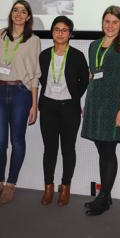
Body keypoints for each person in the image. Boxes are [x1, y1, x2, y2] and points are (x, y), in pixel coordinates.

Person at [81, 6, 120, 216]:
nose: (110, 26)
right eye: (107, 21)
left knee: (108, 152)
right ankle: (106, 195)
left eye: (114, 22)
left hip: (114, 105)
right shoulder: (94, 46)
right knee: (101, 149)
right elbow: (92, 77)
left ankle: (103, 198)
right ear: (102, 22)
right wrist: (87, 103)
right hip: (95, 103)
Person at [0, 0, 41, 204]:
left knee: (17, 141)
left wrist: (34, 104)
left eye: (23, 11)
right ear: (11, 14)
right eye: (15, 10)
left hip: (21, 92)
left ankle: (11, 183)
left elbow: (35, 73)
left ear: (28, 17)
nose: (18, 14)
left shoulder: (34, 40)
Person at [38, 16, 88, 206]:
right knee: (49, 150)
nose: (60, 33)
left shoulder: (77, 55)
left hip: (70, 109)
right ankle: (48, 187)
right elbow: (41, 80)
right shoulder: (44, 55)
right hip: (48, 107)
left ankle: (65, 187)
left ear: (70, 34)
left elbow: (84, 80)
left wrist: (74, 96)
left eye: (64, 30)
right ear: (52, 32)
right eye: (57, 29)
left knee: (68, 149)